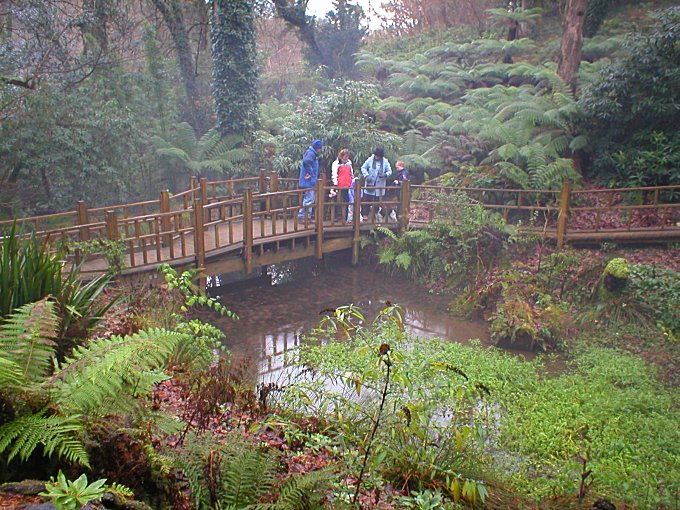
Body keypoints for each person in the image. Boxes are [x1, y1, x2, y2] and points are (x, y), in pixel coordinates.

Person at [360, 147, 392, 222]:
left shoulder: (385, 162)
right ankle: (365, 214)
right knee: (367, 200)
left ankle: (375, 216)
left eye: (378, 156)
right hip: (370, 183)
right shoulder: (370, 159)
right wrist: (366, 176)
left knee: (377, 201)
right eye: (376, 155)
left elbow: (390, 171)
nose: (377, 157)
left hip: (380, 185)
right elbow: (363, 168)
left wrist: (385, 175)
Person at [298, 139, 322, 220]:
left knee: (309, 198)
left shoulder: (311, 153)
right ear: (317, 148)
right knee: (309, 198)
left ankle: (306, 216)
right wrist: (311, 173)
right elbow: (306, 162)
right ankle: (303, 216)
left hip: (309, 180)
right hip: (308, 181)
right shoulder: (311, 153)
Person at [331, 148, 353, 223]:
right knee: (338, 200)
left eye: (347, 156)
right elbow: (334, 174)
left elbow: (351, 173)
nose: (346, 157)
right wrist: (335, 184)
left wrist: (352, 181)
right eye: (345, 156)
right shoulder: (336, 163)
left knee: (347, 200)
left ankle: (346, 216)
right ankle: (338, 216)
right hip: (340, 184)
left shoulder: (349, 162)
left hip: (348, 184)